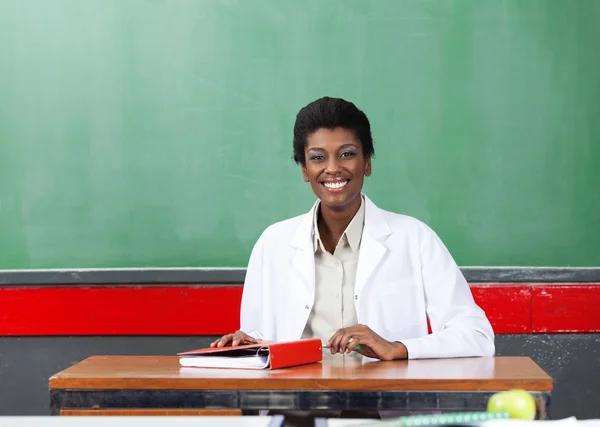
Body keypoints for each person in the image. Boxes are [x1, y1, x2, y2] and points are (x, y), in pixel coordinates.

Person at [212, 96, 494, 361]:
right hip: (296, 403)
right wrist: (247, 343)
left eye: (347, 154)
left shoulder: (414, 238)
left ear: (367, 162)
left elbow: (477, 336)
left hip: (381, 406)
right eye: (318, 157)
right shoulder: (273, 242)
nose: (333, 168)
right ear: (304, 170)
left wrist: (397, 348)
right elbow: (262, 335)